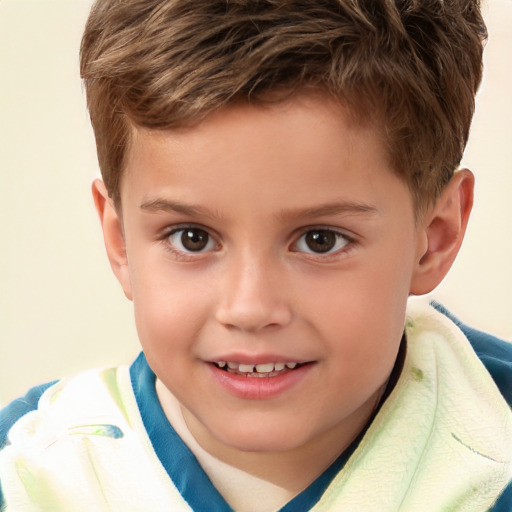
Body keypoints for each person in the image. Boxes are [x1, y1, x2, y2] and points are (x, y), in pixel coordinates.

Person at [1, 0, 511, 510]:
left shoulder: (495, 453)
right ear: (121, 243)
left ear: (434, 237)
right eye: (192, 238)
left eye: (320, 240)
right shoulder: (29, 473)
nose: (249, 308)